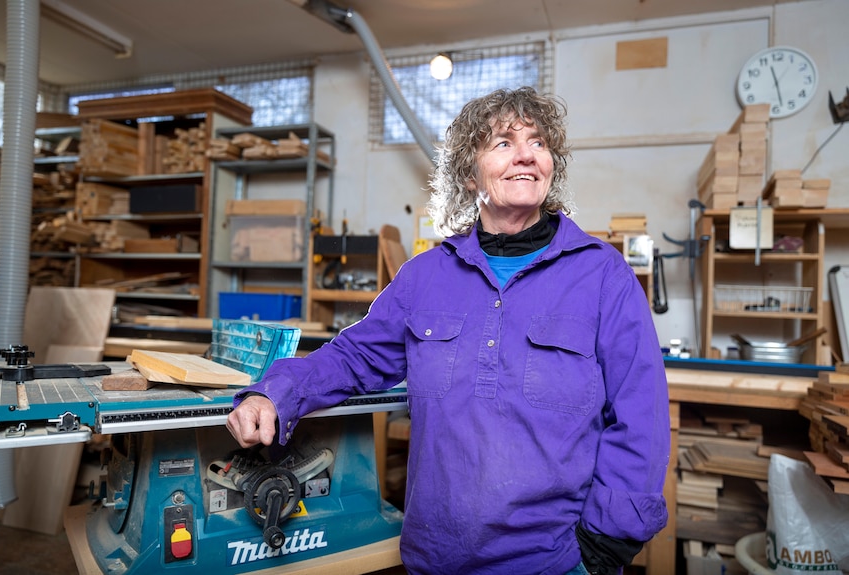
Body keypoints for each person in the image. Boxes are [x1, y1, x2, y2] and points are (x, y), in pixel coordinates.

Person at [227, 86, 670, 575]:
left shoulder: (602, 274)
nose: (526, 154)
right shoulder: (425, 276)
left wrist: (604, 545)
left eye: (539, 142)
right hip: (435, 556)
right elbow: (353, 357)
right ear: (468, 172)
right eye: (503, 143)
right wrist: (274, 394)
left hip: (554, 560)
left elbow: (640, 416)